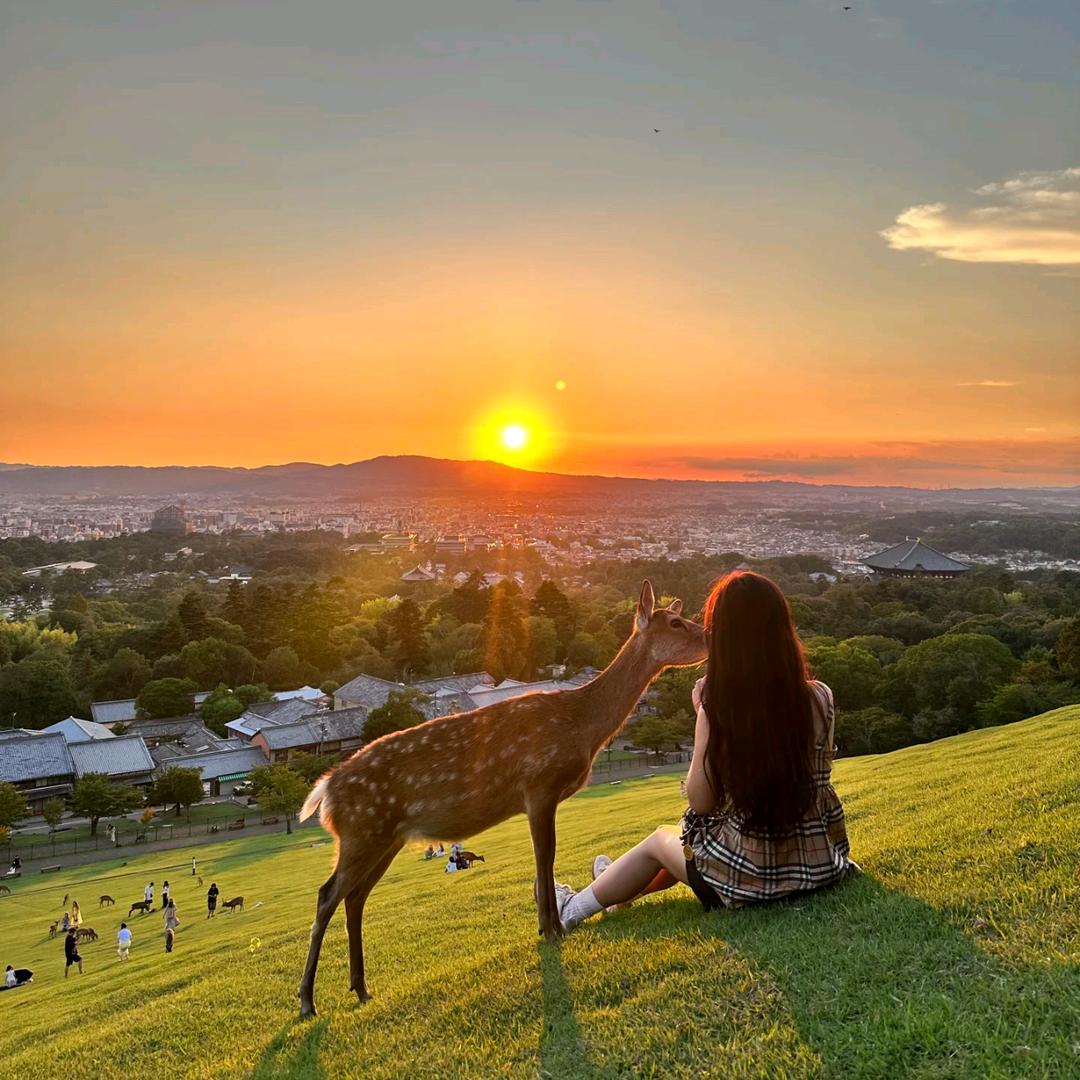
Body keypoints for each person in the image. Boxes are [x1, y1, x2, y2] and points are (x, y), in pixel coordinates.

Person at [552, 571, 858, 931]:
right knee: (677, 849)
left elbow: (701, 801)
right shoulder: (820, 695)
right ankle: (617, 889)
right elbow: (818, 768)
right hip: (823, 863)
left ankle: (572, 908)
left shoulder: (720, 707)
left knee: (660, 842)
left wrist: (703, 717)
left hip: (751, 879)